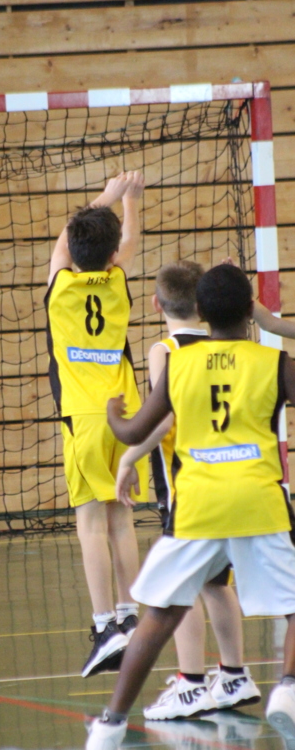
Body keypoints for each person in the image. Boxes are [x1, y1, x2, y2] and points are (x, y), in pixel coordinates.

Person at [86, 263, 295, 749]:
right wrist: (277, 326)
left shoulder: (179, 364)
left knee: (160, 613)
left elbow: (134, 432)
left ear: (200, 311)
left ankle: (111, 723)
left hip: (198, 505)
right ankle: (287, 687)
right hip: (258, 500)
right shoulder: (275, 363)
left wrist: (114, 415)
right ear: (250, 311)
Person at [113, 260, 260, 719]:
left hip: (187, 484)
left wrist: (130, 457)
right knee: (216, 584)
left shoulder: (166, 350)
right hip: (232, 477)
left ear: (156, 304)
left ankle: (191, 682)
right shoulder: (228, 344)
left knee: (183, 586)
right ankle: (234, 674)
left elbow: (166, 417)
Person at [45, 171, 149, 677]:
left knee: (90, 524)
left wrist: (108, 196)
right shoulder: (118, 282)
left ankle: (105, 626)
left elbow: (63, 245)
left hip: (85, 417)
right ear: (111, 256)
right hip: (126, 415)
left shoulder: (61, 288)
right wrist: (132, 202)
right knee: (121, 519)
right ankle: (130, 617)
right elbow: (129, 243)